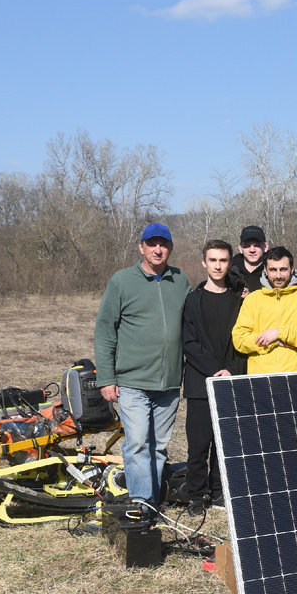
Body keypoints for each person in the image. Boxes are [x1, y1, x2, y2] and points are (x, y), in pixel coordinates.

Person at [94, 223, 191, 522]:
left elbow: (197, 316)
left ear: (170, 248)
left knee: (159, 447)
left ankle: (153, 503)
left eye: (163, 244)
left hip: (169, 383)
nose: (157, 249)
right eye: (152, 244)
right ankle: (141, 506)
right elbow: (105, 331)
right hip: (133, 381)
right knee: (137, 444)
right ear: (141, 247)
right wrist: (107, 378)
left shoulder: (180, 280)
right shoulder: (122, 281)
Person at [181, 239, 246, 515]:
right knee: (199, 443)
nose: (218, 265)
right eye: (213, 260)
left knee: (224, 443)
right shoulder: (193, 300)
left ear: (230, 263)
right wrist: (214, 370)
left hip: (231, 382)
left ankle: (220, 493)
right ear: (204, 263)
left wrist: (230, 369)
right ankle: (196, 494)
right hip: (200, 384)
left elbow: (245, 341)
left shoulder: (240, 300)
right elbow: (189, 343)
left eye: (223, 260)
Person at [232, 246, 297, 373]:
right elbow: (239, 339)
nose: (278, 275)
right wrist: (275, 342)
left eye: (283, 269)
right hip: (260, 380)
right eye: (273, 270)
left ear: (292, 269)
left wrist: (280, 333)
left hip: (295, 377)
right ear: (265, 269)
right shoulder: (253, 299)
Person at [229, 225, 268, 293]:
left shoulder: (274, 271)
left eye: (256, 246)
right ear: (240, 248)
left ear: (265, 247)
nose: (252, 250)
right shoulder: (229, 272)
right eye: (247, 246)